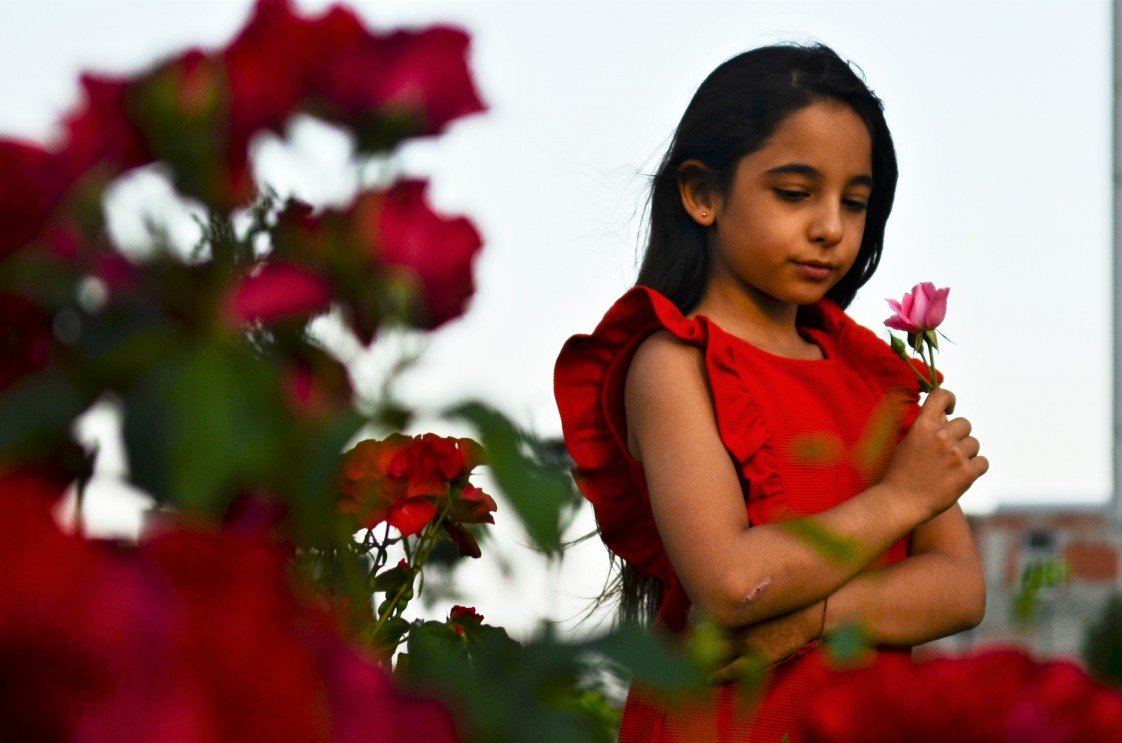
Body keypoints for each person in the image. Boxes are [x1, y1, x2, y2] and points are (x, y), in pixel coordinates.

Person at [553, 41, 990, 742]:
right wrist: (900, 500)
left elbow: (960, 589)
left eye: (855, 202)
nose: (830, 229)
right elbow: (732, 582)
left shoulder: (873, 372)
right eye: (794, 193)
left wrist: (811, 618)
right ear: (702, 194)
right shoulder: (672, 364)